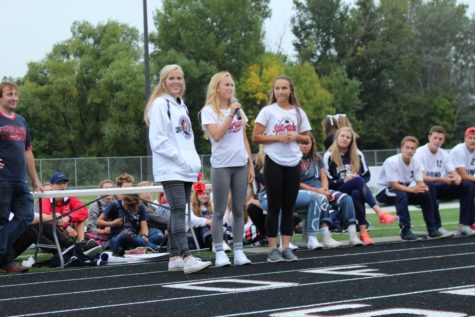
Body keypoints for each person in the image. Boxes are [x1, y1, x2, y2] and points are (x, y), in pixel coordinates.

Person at [144, 64, 211, 274]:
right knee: (178, 211)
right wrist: (180, 159)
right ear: (164, 81)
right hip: (171, 168)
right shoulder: (159, 105)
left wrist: (192, 163)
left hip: (185, 169)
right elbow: (158, 140)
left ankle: (174, 257)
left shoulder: (181, 105)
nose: (176, 82)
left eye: (180, 78)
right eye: (172, 78)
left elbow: (185, 139)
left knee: (179, 212)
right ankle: (187, 256)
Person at [252, 75, 311, 263]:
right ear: (273, 90)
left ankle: (286, 247)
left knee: (288, 206)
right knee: (274, 206)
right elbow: (256, 137)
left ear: (290, 90)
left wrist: (295, 136)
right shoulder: (267, 111)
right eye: (277, 88)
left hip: (293, 163)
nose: (280, 92)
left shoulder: (299, 112)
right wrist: (278, 137)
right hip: (274, 162)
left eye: (284, 88)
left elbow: (306, 138)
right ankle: (272, 249)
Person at [200, 72, 254, 267]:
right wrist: (230, 114)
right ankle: (220, 251)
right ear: (217, 88)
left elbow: (243, 137)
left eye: (232, 85)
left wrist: (250, 163)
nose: (230, 88)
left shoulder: (239, 110)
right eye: (226, 85)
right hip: (222, 164)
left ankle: (239, 251)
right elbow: (216, 135)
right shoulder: (209, 111)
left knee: (239, 209)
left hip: (240, 163)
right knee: (220, 210)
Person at [323, 127, 398, 244]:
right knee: (357, 181)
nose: (345, 139)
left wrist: (354, 179)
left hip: (354, 188)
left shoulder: (357, 154)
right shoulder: (329, 155)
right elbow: (328, 181)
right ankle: (380, 212)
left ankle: (363, 233)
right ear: (337, 137)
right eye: (342, 136)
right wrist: (344, 180)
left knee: (357, 192)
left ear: (351, 140)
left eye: (348, 137)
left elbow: (366, 175)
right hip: (337, 190)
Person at [0, 82, 44, 273]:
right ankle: (6, 263)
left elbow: (28, 152)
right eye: (10, 94)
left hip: (20, 181)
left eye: (16, 94)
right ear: (0, 97)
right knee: (1, 221)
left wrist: (35, 179)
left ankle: (2, 253)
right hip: (2, 180)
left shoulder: (21, 121)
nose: (14, 97)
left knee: (26, 216)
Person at [298, 133, 363, 249]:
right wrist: (318, 191)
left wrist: (325, 190)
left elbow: (324, 178)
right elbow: (296, 183)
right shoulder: (293, 159)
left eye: (307, 143)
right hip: (304, 192)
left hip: (322, 190)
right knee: (321, 198)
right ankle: (326, 237)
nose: (305, 146)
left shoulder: (316, 158)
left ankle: (353, 235)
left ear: (312, 144)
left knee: (346, 199)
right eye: (302, 143)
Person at [414, 126, 473, 237]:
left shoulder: (444, 153)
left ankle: (463, 225)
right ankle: (437, 227)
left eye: (440, 139)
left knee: (467, 185)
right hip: (421, 187)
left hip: (439, 187)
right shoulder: (419, 152)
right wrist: (442, 179)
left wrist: (457, 179)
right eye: (435, 138)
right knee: (430, 185)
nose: (437, 141)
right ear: (429, 137)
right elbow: (421, 178)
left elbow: (453, 173)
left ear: (443, 140)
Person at [376, 136, 438, 240]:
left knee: (425, 194)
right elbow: (393, 185)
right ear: (402, 148)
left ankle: (432, 229)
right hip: (384, 191)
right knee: (402, 195)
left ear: (415, 150)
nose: (409, 150)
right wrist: (413, 190)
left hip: (403, 191)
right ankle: (405, 231)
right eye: (407, 147)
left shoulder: (416, 163)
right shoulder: (392, 161)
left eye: (412, 148)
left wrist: (423, 188)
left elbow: (420, 182)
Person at [41, 172, 89, 242]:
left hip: (66, 232)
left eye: (64, 183)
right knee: (49, 222)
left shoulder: (70, 197)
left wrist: (68, 218)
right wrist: (67, 226)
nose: (62, 186)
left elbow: (83, 211)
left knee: (79, 220)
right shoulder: (46, 198)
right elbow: (45, 214)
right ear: (51, 186)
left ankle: (82, 244)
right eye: (59, 183)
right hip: (51, 233)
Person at [448, 127, 475, 235]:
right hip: (448, 183)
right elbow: (463, 176)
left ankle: (471, 222)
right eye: (470, 138)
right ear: (465, 138)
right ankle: (466, 224)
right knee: (469, 186)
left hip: (466, 183)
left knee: (470, 185)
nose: (473, 140)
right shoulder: (458, 150)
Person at [85, 179, 115, 247]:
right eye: (106, 189)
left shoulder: (119, 203)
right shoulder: (94, 206)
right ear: (101, 191)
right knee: (90, 236)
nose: (109, 191)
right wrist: (102, 231)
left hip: (116, 232)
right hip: (100, 234)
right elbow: (90, 227)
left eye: (111, 188)